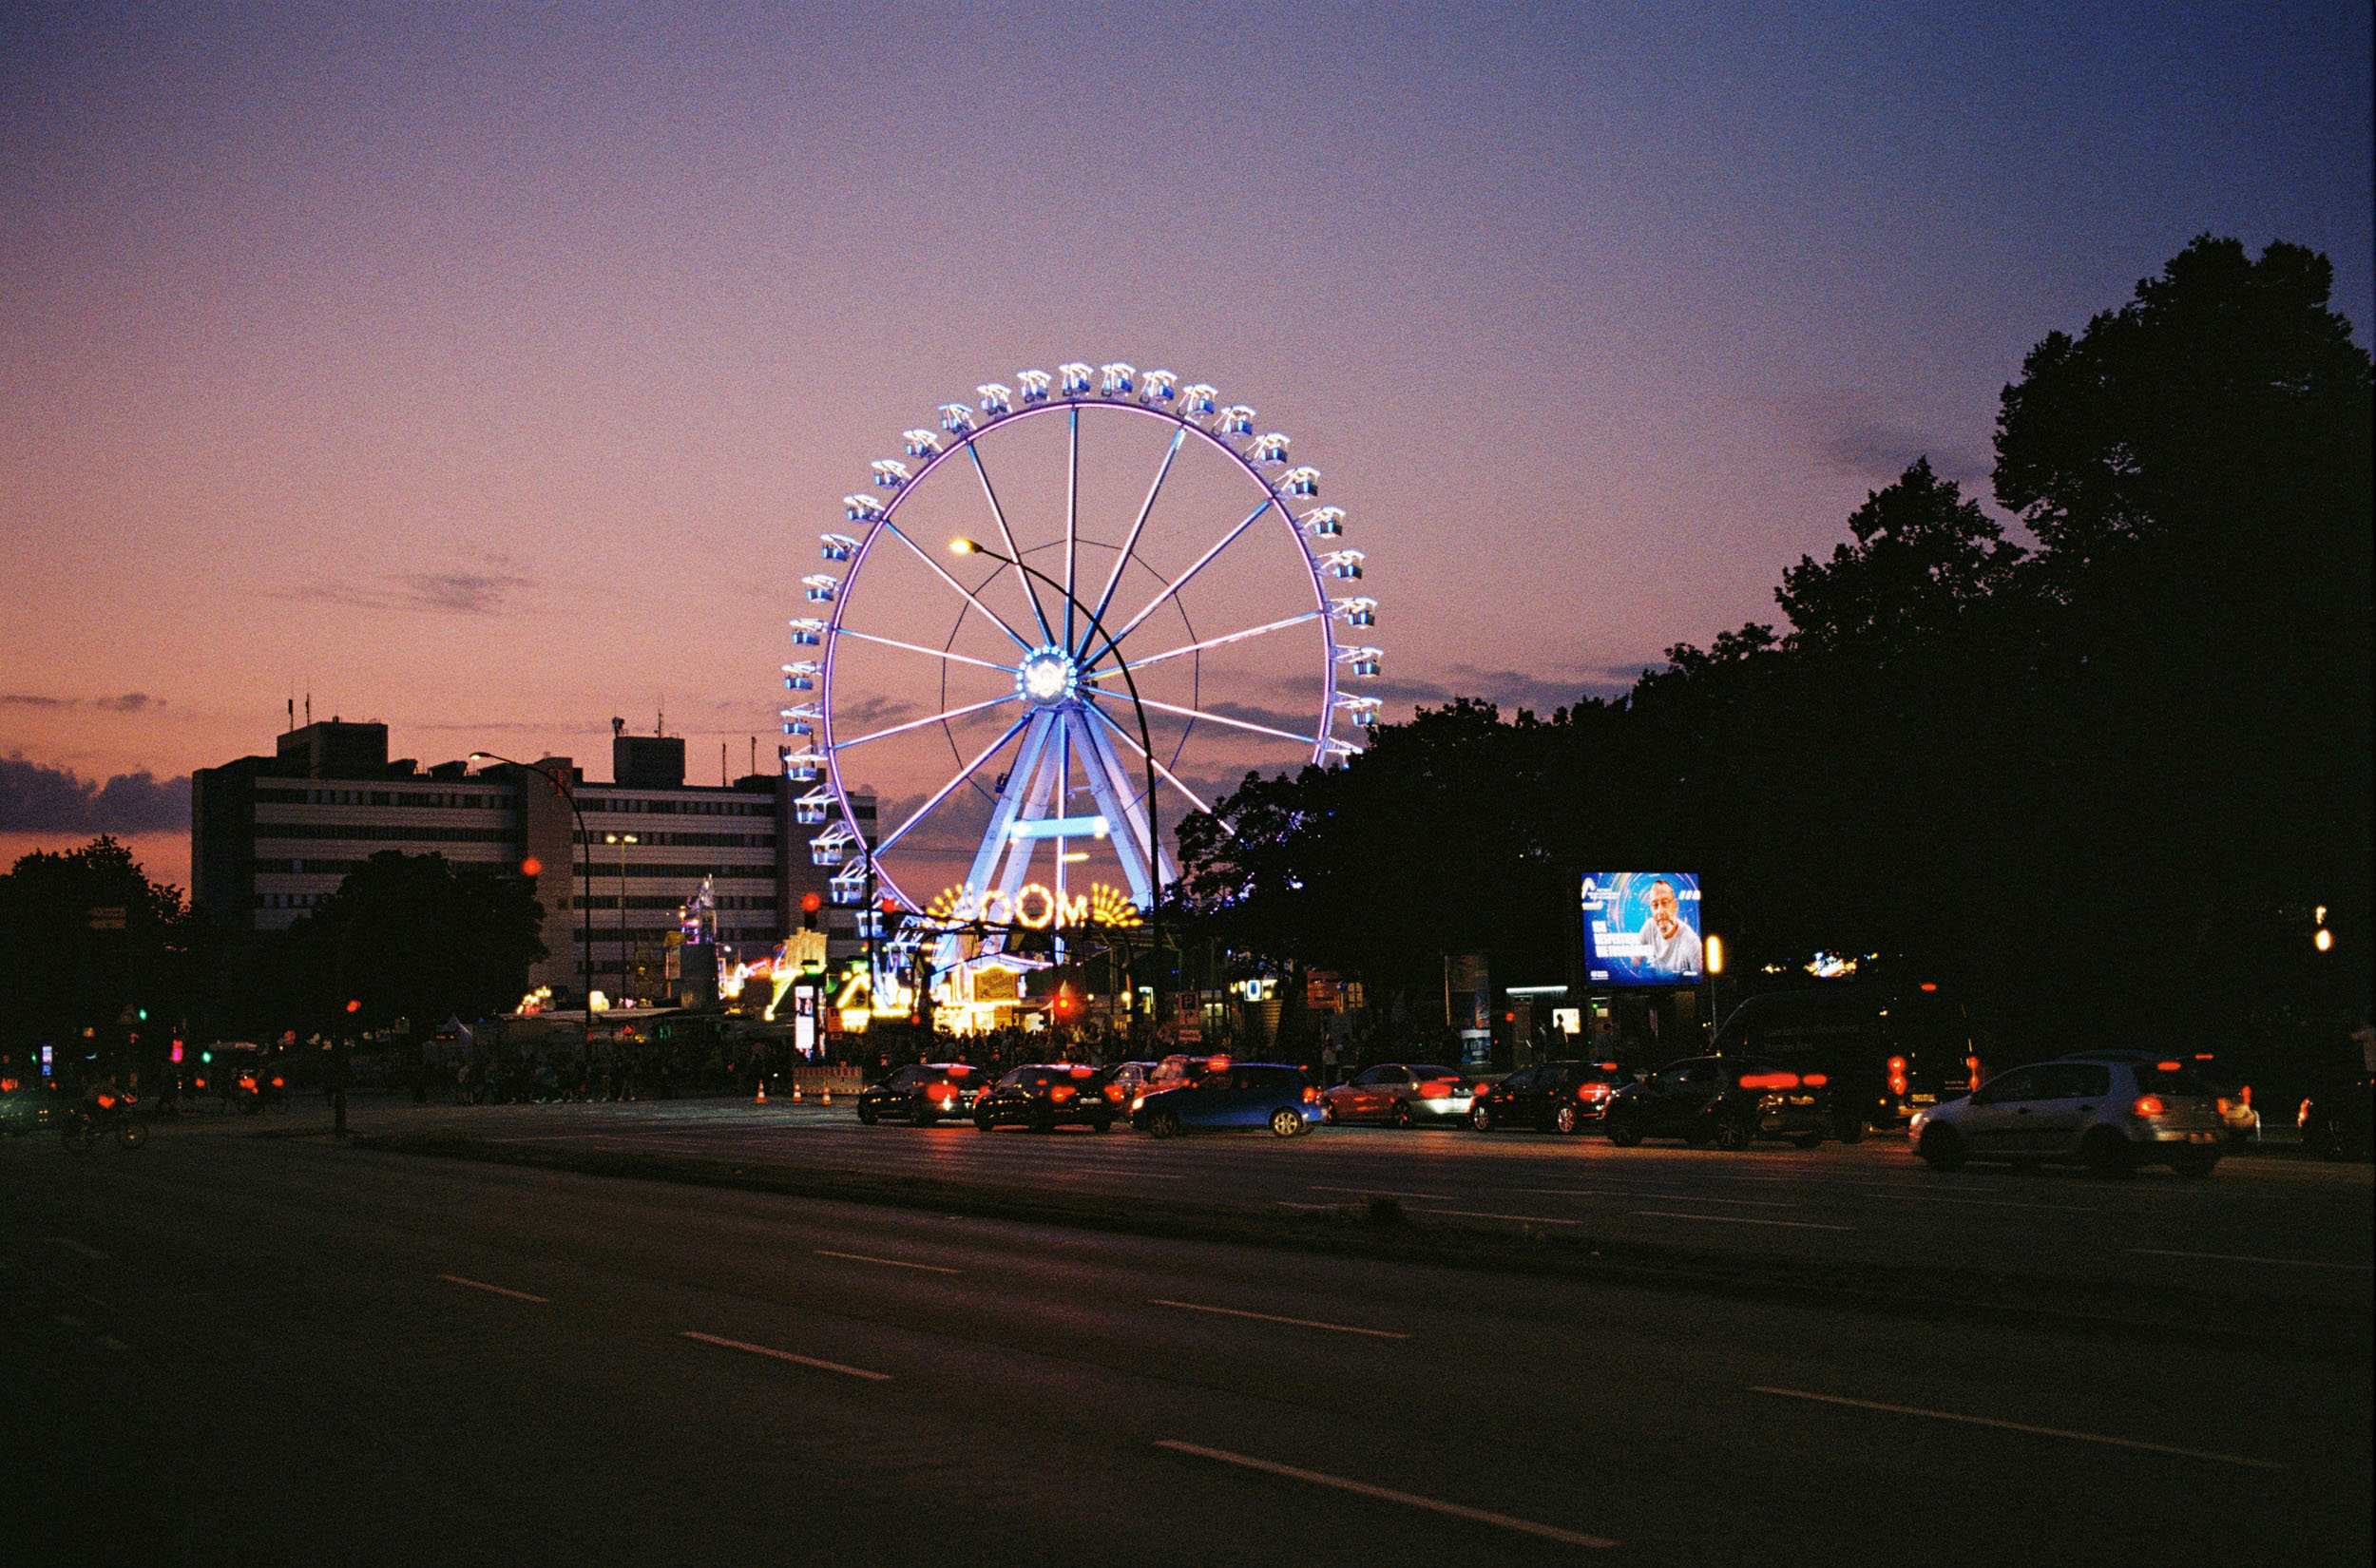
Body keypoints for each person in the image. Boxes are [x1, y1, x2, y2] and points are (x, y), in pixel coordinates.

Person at [1636, 878, 1702, 978]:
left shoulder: (1691, 942)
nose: (1660, 911)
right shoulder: (1649, 927)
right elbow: (1634, 964)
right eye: (1655, 905)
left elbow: (1700, 981)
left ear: (1675, 905)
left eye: (1665, 903)